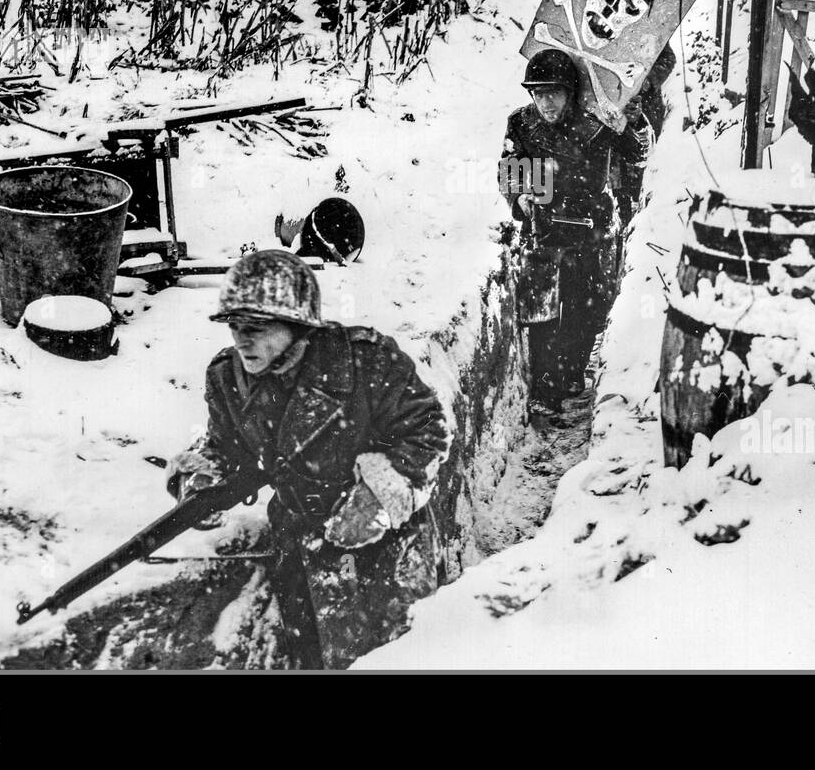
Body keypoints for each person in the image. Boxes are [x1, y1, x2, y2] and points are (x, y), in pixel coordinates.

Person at [164, 249, 451, 669]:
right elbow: (228, 449)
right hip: (297, 542)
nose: (242, 339)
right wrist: (205, 477)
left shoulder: (364, 362)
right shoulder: (227, 377)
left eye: (258, 327)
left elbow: (429, 432)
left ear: (298, 327)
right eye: (236, 326)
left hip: (381, 548)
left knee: (392, 657)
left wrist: (379, 496)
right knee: (312, 656)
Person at [498, 49, 648, 420]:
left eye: (554, 93)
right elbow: (509, 168)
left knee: (585, 308)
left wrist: (632, 121)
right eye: (539, 93)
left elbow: (637, 153)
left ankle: (572, 377)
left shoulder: (597, 122)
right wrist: (521, 200)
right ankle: (545, 390)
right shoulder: (521, 123)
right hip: (543, 228)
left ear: (570, 92)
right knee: (542, 312)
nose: (546, 103)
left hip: (589, 228)